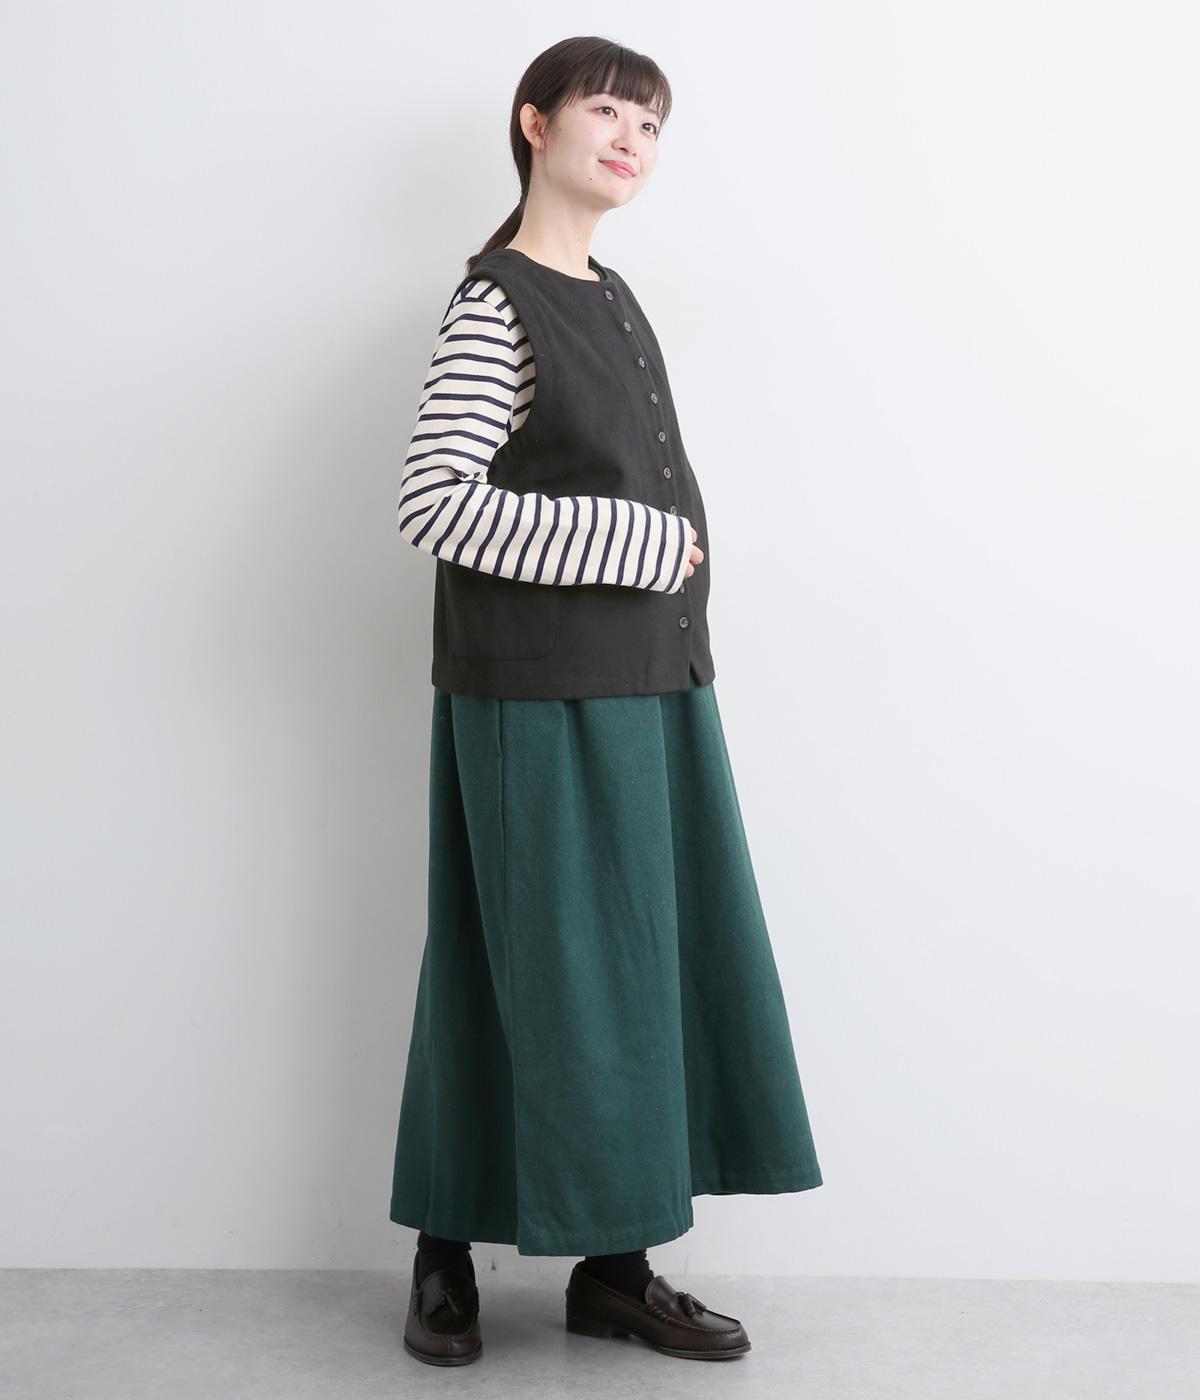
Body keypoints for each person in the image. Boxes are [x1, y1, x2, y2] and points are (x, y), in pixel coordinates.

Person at [390, 35, 823, 1367]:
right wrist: (643, 544)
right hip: (540, 702)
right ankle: (444, 1254)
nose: (633, 138)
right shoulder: (497, 300)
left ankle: (615, 1270)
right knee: (514, 968)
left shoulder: (613, 294)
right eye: (607, 111)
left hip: (646, 689)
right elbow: (435, 501)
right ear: (535, 124)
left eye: (653, 122)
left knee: (637, 974)